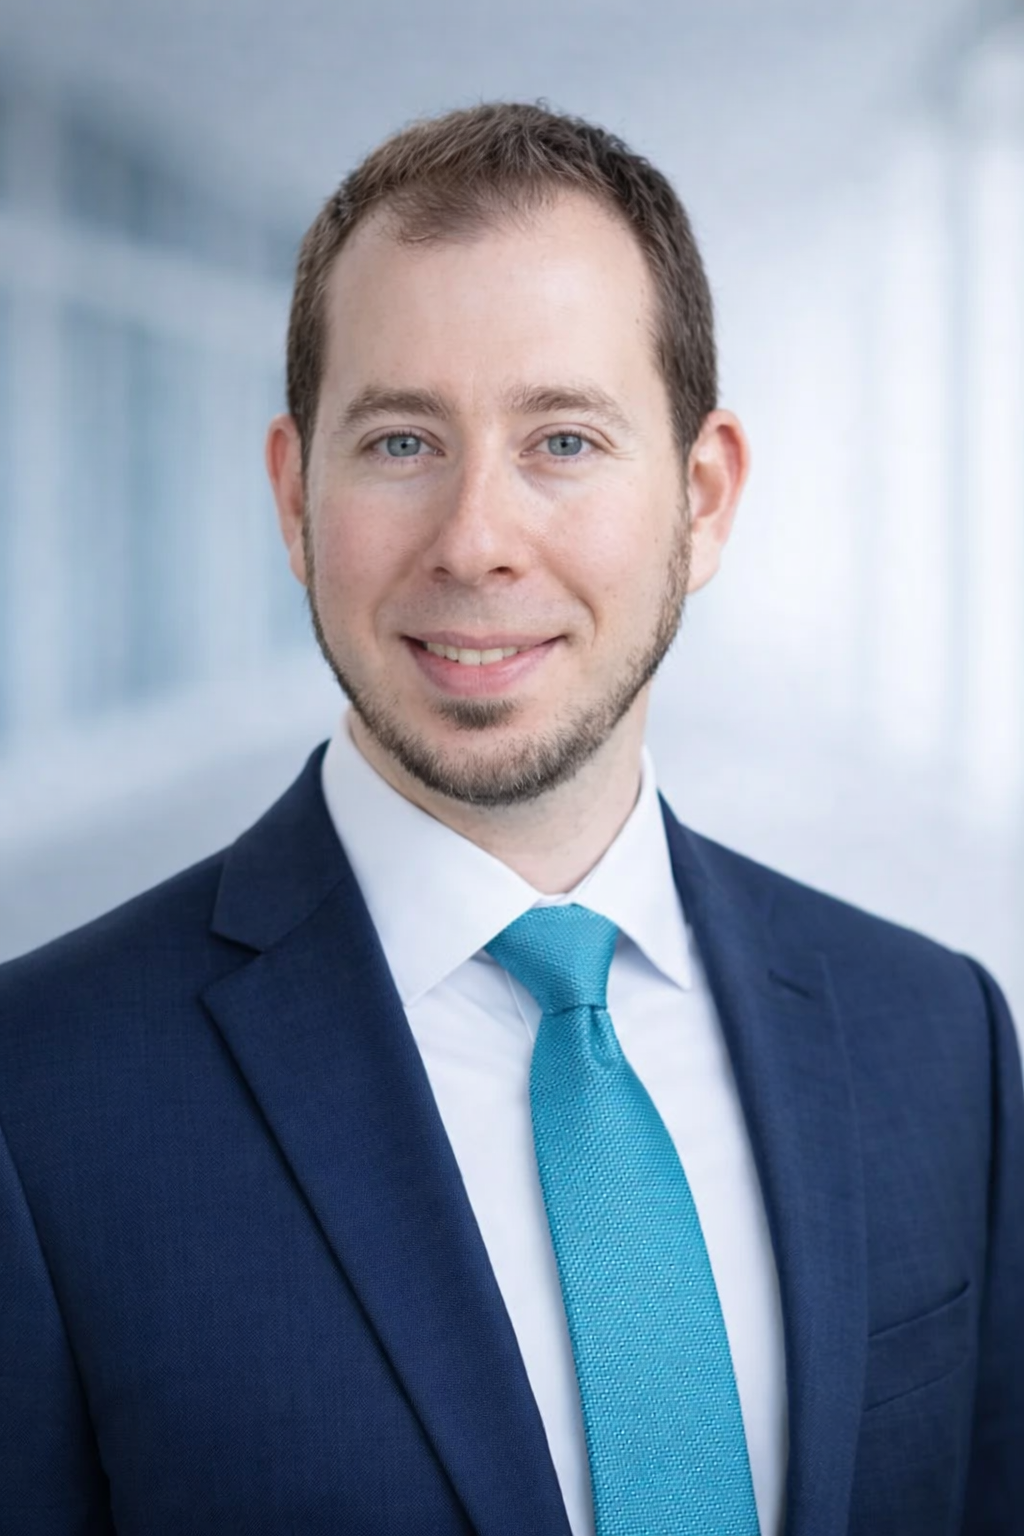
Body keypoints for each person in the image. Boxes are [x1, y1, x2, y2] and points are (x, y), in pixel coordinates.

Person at [0, 102, 1021, 1536]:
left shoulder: (940, 1041)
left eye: (564, 440)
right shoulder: (40, 1101)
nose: (477, 538)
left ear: (705, 497)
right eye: (404, 441)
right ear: (295, 497)